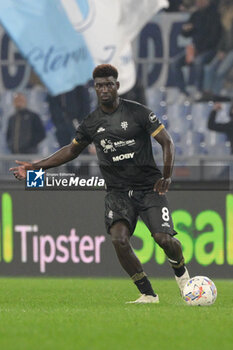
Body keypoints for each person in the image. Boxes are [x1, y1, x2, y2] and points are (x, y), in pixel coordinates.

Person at [10, 64, 190, 304]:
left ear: (116, 85)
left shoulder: (139, 113)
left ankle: (183, 277)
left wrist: (166, 176)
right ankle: (147, 294)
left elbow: (167, 142)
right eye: (99, 86)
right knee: (118, 239)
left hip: (149, 188)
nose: (104, 89)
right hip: (117, 193)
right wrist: (36, 167)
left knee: (163, 239)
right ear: (95, 89)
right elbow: (71, 151)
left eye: (108, 84)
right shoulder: (92, 123)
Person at [170, 0, 222, 101]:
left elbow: (215, 37)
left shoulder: (215, 15)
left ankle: (199, 90)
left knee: (199, 62)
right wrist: (185, 29)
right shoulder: (196, 15)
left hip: (210, 50)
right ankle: (183, 92)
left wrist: (199, 49)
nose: (199, 2)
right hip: (196, 49)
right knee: (175, 62)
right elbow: (185, 33)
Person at [201, 1, 233, 101]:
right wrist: (220, 50)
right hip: (226, 50)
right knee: (209, 68)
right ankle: (207, 93)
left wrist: (225, 51)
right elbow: (223, 39)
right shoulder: (226, 24)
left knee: (220, 71)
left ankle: (216, 94)